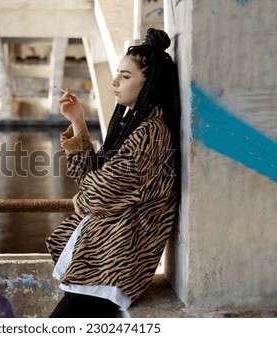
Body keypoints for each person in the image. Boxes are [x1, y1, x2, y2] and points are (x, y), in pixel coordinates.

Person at [45, 28, 181, 318]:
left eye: (126, 76)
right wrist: (79, 123)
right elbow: (91, 179)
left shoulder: (151, 135)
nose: (115, 81)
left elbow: (97, 191)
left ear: (150, 85)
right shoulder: (135, 128)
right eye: (118, 73)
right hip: (97, 265)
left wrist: (84, 198)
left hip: (111, 269)